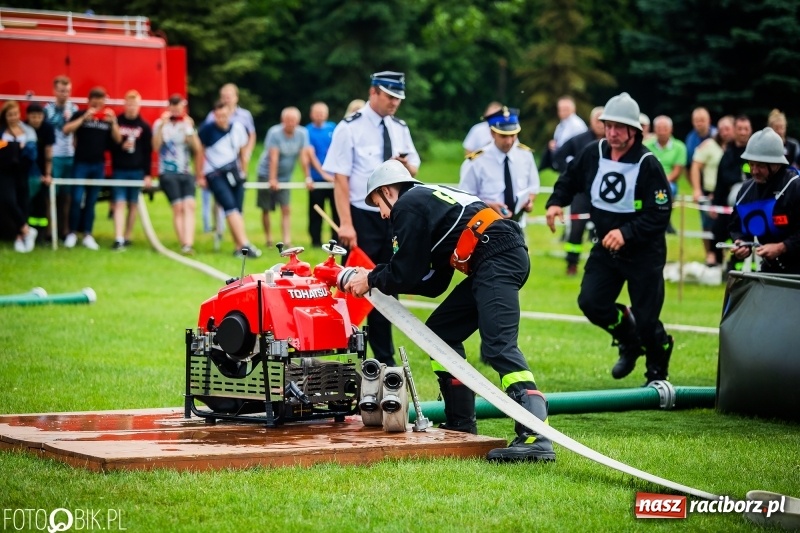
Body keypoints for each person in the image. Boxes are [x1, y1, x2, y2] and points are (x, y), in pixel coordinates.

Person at [343, 159, 555, 463]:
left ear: (388, 191)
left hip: (497, 258)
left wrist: (372, 277)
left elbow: (406, 271)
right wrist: (379, 281)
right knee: (441, 333)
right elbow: (432, 283)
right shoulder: (427, 203)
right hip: (495, 256)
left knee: (499, 346)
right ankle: (461, 423)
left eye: (379, 204)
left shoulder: (407, 205)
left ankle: (537, 435)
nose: (382, 214)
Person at [545, 92, 674, 385]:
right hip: (605, 248)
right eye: (608, 126)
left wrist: (627, 232)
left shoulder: (648, 164)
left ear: (634, 131)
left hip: (644, 253)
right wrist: (555, 202)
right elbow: (570, 178)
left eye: (619, 127)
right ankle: (630, 341)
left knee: (647, 320)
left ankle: (657, 368)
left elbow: (660, 212)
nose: (612, 132)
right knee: (591, 302)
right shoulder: (594, 152)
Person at [323, 70, 421, 367]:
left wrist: (405, 167)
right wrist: (346, 223)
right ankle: (345, 355)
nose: (395, 103)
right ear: (373, 92)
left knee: (388, 285)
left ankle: (384, 359)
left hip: (393, 215)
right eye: (390, 97)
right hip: (360, 216)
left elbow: (413, 169)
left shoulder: (399, 127)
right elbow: (340, 179)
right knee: (353, 288)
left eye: (399, 99)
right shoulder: (349, 128)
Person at [729, 127, 800, 274]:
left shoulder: (795, 187)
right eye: (751, 164)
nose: (754, 171)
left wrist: (782, 247)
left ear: (776, 164)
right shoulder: (746, 191)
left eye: (760, 165)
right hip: (770, 269)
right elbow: (737, 226)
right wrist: (742, 243)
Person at [197, 100, 260, 258]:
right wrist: (199, 174)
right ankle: (246, 244)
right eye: (218, 116)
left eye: (224, 115)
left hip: (234, 171)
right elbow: (199, 152)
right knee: (229, 206)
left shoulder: (237, 128)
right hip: (214, 173)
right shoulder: (207, 130)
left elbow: (242, 151)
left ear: (229, 114)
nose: (221, 119)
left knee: (237, 210)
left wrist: (244, 171)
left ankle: (239, 247)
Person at [458, 107, 539, 230]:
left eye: (513, 135)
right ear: (492, 133)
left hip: (518, 226)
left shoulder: (525, 155)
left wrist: (529, 202)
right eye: (503, 136)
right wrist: (488, 206)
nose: (509, 141)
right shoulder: (476, 161)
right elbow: (465, 198)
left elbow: (533, 188)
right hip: (487, 227)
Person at [62, 86, 121, 250]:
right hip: (80, 163)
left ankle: (88, 234)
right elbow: (65, 130)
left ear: (104, 101)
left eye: (101, 99)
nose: (97, 103)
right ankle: (72, 233)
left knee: (91, 200)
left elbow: (118, 140)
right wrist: (83, 119)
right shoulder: (81, 114)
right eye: (94, 99)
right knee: (75, 198)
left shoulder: (107, 118)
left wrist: (114, 122)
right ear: (89, 101)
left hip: (98, 164)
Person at [552, 106, 605, 275]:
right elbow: (559, 155)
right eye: (597, 119)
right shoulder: (579, 140)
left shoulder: (613, 142)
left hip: (604, 193)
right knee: (576, 228)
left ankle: (603, 265)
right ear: (591, 121)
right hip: (581, 192)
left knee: (605, 228)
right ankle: (572, 263)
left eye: (603, 120)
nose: (600, 123)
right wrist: (569, 173)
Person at [202, 83, 257, 236]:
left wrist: (246, 155)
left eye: (229, 96)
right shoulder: (212, 117)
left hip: (236, 165)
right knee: (220, 201)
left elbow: (251, 136)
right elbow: (204, 143)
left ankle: (238, 239)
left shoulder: (244, 117)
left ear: (236, 97)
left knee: (236, 205)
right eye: (224, 96)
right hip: (216, 168)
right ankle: (217, 229)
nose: (226, 99)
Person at [153, 94, 200, 255]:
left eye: (178, 105)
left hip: (186, 171)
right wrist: (161, 127)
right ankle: (184, 243)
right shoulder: (160, 124)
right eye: (172, 105)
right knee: (178, 207)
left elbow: (197, 148)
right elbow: (155, 146)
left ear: (182, 107)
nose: (175, 108)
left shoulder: (187, 124)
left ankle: (188, 244)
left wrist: (190, 130)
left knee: (190, 206)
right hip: (167, 172)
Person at [256, 106, 310, 246]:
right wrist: (272, 179)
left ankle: (287, 240)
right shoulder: (274, 133)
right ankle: (268, 238)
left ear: (298, 121)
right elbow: (273, 158)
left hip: (285, 177)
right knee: (266, 207)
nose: (291, 123)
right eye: (288, 120)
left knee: (286, 208)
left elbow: (303, 157)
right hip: (266, 174)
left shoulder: (302, 133)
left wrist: (307, 177)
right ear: (282, 120)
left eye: (293, 120)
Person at [110, 90, 152, 250]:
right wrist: (120, 146)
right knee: (119, 203)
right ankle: (118, 238)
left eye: (134, 105)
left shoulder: (144, 126)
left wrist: (148, 174)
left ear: (139, 106)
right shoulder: (117, 122)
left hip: (137, 171)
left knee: (133, 205)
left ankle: (127, 236)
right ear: (124, 105)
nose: (132, 108)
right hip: (119, 169)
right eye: (129, 104)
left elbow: (148, 152)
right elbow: (110, 145)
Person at [690, 115, 734, 266]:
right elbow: (695, 166)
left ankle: (729, 259)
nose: (724, 132)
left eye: (727, 129)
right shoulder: (708, 145)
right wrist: (696, 189)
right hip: (710, 193)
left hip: (731, 195)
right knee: (709, 226)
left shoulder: (738, 147)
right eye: (721, 129)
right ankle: (711, 255)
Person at [712, 115, 752, 269]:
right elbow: (721, 180)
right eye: (740, 129)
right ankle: (717, 264)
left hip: (750, 205)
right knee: (718, 229)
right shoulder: (728, 153)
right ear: (734, 130)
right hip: (728, 206)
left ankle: (737, 263)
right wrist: (715, 205)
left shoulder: (755, 153)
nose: (742, 132)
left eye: (746, 129)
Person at [43, 75, 79, 242]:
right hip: (55, 156)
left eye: (67, 91)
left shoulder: (74, 108)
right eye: (61, 90)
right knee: (51, 195)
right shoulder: (47, 109)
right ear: (54, 91)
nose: (64, 94)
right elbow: (49, 129)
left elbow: (76, 132)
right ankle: (50, 231)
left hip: (70, 156)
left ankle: (64, 229)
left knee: (66, 196)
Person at [0, 101, 39, 252]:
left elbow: (32, 153)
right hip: (4, 172)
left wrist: (11, 147)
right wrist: (13, 147)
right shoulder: (2, 131)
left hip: (24, 172)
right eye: (9, 115)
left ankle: (20, 237)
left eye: (15, 114)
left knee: (23, 203)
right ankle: (27, 231)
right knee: (8, 200)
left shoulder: (28, 131)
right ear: (5, 116)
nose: (13, 117)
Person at [306, 102, 337, 247]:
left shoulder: (333, 128)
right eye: (316, 113)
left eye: (322, 112)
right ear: (312, 114)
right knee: (316, 212)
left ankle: (336, 240)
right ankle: (316, 241)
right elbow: (309, 155)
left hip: (335, 179)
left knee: (336, 211)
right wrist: (323, 174)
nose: (319, 115)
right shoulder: (307, 131)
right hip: (317, 179)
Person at [24, 103, 55, 242]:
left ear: (43, 116)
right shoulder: (23, 127)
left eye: (39, 116)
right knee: (26, 203)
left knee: (42, 204)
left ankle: (42, 234)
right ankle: (26, 231)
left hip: (42, 172)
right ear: (28, 116)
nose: (36, 119)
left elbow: (49, 152)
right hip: (27, 171)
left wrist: (48, 174)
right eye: (33, 116)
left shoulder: (48, 128)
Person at [643, 115, 687, 200]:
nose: (662, 132)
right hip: (648, 180)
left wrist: (661, 182)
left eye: (665, 129)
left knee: (666, 191)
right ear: (654, 129)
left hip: (669, 182)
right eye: (659, 129)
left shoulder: (680, 147)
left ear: (671, 129)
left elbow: (677, 171)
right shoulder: (646, 145)